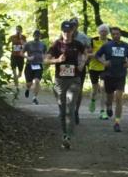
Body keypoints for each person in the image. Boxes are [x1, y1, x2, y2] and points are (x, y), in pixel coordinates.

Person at [45, 20, 89, 149]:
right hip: (60, 81)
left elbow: (85, 54)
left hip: (74, 80)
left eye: (69, 31)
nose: (67, 34)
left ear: (73, 32)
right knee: (62, 109)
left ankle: (68, 137)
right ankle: (64, 134)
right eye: (64, 31)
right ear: (61, 31)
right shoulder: (56, 45)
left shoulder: (78, 44)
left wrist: (81, 64)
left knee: (70, 108)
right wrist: (57, 60)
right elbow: (46, 60)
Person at [96, 26, 128, 132]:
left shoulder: (126, 46)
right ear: (111, 35)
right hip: (109, 75)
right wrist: (104, 62)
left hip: (121, 75)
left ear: (120, 34)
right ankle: (108, 107)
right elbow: (97, 55)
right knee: (109, 98)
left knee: (119, 98)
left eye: (117, 34)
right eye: (113, 34)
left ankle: (117, 122)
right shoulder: (107, 45)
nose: (116, 36)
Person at [67, 17, 92, 126]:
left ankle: (76, 111)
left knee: (78, 90)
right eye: (71, 24)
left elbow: (89, 51)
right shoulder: (64, 35)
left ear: (78, 25)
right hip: (67, 66)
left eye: (75, 24)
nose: (73, 26)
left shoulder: (84, 37)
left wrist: (85, 62)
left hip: (80, 67)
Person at [88, 24, 111, 118]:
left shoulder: (110, 42)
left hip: (105, 68)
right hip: (93, 67)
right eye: (102, 31)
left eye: (105, 31)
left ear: (107, 33)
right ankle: (93, 100)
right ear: (99, 32)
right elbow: (88, 54)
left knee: (103, 88)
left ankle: (102, 111)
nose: (103, 33)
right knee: (94, 90)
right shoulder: (93, 40)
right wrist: (97, 55)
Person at [24, 29, 47, 104]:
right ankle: (28, 89)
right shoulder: (28, 44)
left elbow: (45, 54)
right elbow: (21, 53)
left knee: (37, 81)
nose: (37, 36)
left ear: (40, 36)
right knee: (29, 83)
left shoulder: (43, 45)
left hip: (39, 65)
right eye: (35, 35)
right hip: (29, 65)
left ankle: (34, 98)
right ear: (33, 35)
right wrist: (28, 58)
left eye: (38, 35)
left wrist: (44, 60)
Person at [8, 25, 27, 96]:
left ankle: (15, 79)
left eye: (19, 30)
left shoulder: (24, 37)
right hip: (13, 56)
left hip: (21, 57)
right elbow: (7, 43)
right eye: (17, 29)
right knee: (14, 71)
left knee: (19, 74)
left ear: (21, 30)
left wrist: (22, 41)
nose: (18, 31)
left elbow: (26, 45)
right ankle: (16, 87)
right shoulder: (12, 37)